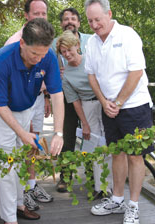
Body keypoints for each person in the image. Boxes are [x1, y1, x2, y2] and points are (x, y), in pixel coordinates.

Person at [0, 18, 64, 224]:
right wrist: (22, 132)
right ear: (22, 43)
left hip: (26, 108)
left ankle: (20, 205)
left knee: (23, 160)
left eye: (43, 54)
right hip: (1, 113)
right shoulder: (3, 59)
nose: (39, 59)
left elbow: (56, 94)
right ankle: (9, 218)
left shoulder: (48, 56)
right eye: (34, 54)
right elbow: (0, 105)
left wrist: (58, 133)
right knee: (6, 165)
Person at [84, 0, 154, 224]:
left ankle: (133, 206)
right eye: (90, 21)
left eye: (97, 20)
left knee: (135, 156)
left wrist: (119, 102)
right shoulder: (92, 42)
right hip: (109, 108)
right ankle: (116, 199)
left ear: (109, 14)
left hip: (134, 107)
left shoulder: (128, 35)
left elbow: (136, 72)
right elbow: (91, 75)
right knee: (116, 153)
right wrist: (104, 102)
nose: (94, 25)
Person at [4, 0, 53, 211]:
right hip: (19, 103)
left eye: (44, 13)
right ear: (26, 15)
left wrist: (48, 97)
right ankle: (21, 193)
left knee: (34, 146)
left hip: (38, 97)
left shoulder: (46, 40)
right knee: (23, 146)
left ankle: (31, 186)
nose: (41, 17)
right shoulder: (16, 41)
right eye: (36, 13)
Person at [56, 30, 112, 199]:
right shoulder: (66, 76)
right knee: (94, 146)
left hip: (104, 101)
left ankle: (111, 188)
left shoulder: (91, 60)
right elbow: (75, 101)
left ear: (77, 46)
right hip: (87, 105)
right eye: (63, 52)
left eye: (69, 49)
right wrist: (85, 124)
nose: (67, 54)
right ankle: (99, 186)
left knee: (109, 144)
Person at [51, 7, 92, 192]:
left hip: (90, 98)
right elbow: (48, 71)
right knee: (67, 138)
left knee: (92, 138)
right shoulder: (53, 44)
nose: (70, 21)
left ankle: (93, 175)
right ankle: (65, 177)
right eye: (66, 19)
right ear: (61, 24)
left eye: (73, 18)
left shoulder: (91, 40)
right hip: (67, 97)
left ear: (79, 23)